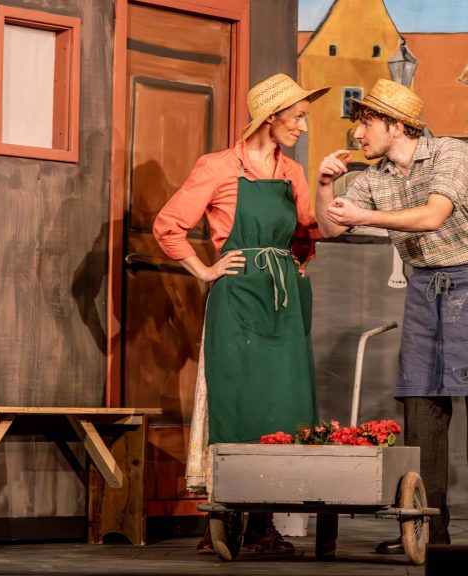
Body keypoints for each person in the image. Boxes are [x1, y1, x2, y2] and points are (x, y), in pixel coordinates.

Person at [315, 79, 468, 549]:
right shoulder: (376, 177)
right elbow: (330, 228)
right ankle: (428, 529)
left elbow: (432, 215)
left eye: (366, 123)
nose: (357, 134)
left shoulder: (450, 154)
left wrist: (363, 217)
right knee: (421, 411)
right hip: (426, 286)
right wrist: (324, 187)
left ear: (396, 124)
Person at [153, 73, 328, 555]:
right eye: (297, 117)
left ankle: (263, 522)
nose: (302, 127)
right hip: (239, 297)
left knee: (280, 404)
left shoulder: (292, 172)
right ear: (270, 118)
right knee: (236, 398)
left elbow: (307, 231)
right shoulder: (217, 167)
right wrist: (204, 270)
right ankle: (223, 517)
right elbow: (168, 225)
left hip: (283, 301)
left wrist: (299, 261)